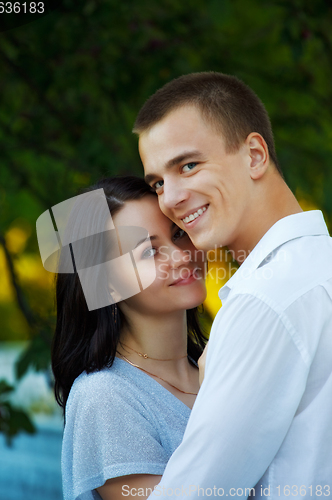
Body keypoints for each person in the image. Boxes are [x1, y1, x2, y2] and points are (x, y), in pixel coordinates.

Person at [134, 72, 332, 498]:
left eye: (188, 165)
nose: (169, 198)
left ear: (255, 156)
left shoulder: (266, 300)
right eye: (158, 183)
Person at [50, 175, 208, 500]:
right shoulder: (104, 398)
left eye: (179, 234)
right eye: (150, 252)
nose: (180, 256)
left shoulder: (219, 362)